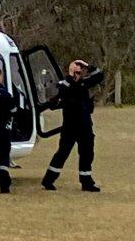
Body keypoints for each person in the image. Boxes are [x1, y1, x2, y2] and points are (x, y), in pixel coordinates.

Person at [42, 60, 104, 192]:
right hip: (70, 127)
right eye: (77, 72)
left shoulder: (84, 83)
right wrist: (71, 76)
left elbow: (99, 76)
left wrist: (88, 65)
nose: (80, 74)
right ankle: (48, 180)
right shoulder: (64, 84)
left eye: (81, 72)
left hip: (85, 125)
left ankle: (86, 182)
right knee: (62, 154)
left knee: (87, 154)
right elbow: (58, 94)